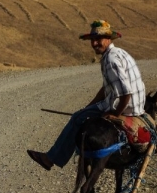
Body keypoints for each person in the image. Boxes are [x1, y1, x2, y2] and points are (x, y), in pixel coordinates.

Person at [27, 20, 146, 171]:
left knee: (76, 119)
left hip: (126, 107)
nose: (95, 43)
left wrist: (116, 114)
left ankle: (51, 159)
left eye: (99, 39)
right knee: (81, 114)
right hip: (134, 105)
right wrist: (88, 108)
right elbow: (107, 88)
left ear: (108, 39)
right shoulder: (119, 53)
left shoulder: (110, 59)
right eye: (93, 40)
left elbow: (126, 93)